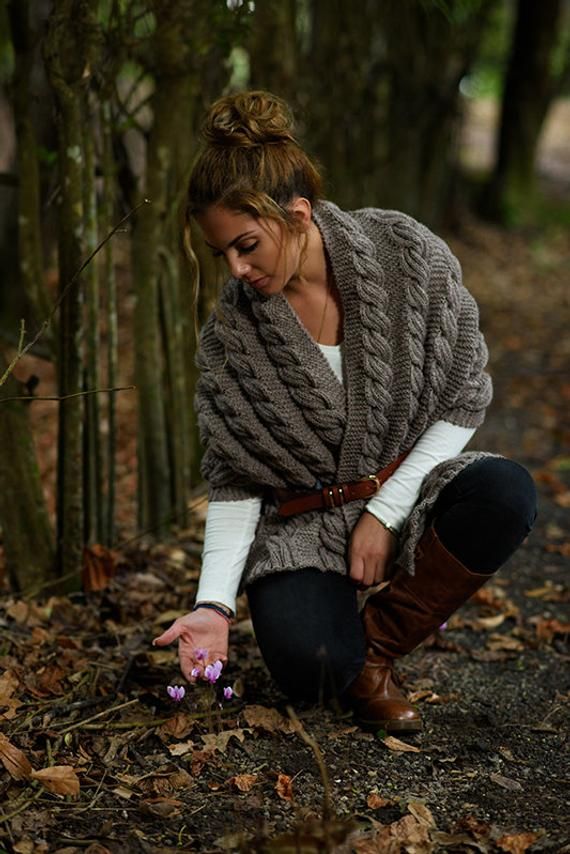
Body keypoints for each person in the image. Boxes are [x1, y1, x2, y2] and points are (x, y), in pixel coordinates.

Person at [153, 90, 537, 732]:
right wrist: (213, 605)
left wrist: (385, 514)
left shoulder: (405, 254)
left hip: (407, 489)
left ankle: (378, 653)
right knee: (313, 670)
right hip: (303, 525)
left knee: (506, 491)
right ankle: (346, 656)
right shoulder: (232, 337)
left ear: (298, 214)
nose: (237, 268)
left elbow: (466, 392)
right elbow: (234, 479)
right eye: (222, 253)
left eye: (247, 245)